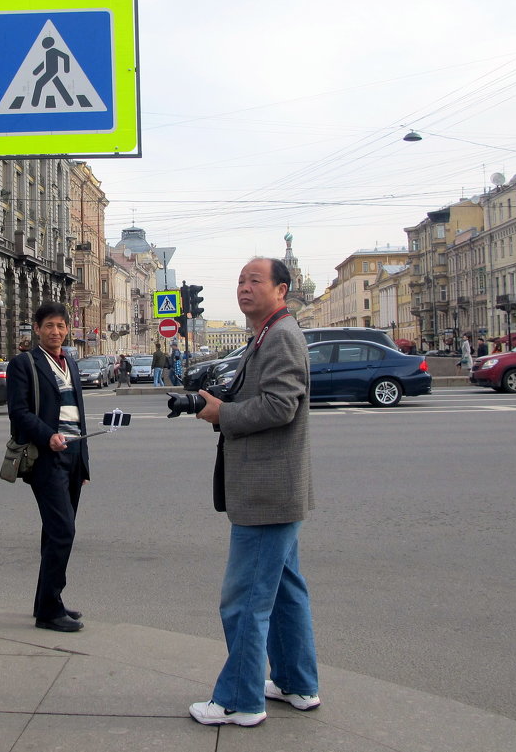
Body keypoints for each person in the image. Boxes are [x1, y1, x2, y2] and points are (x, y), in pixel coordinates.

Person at [189, 257, 318, 727]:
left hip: (268, 494)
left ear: (282, 290)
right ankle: (296, 682)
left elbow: (281, 406)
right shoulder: (267, 334)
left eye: (255, 280)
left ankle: (240, 700)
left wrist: (223, 414)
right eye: (241, 280)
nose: (244, 287)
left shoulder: (281, 336)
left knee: (243, 600)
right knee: (285, 591)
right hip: (276, 488)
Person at [6, 302, 90, 633]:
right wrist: (48, 436)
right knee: (63, 532)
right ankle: (49, 612)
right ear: (37, 329)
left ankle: (47, 601)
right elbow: (19, 412)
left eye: (61, 326)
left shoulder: (69, 361)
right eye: (49, 326)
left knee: (53, 533)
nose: (56, 332)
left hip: (72, 457)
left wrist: (82, 466)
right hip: (46, 458)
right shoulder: (23, 363)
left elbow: (79, 414)